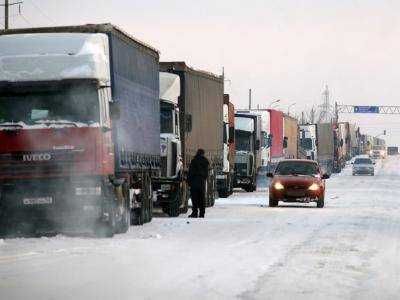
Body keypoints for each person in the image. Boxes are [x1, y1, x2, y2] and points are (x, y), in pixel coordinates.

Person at [187, 149, 209, 218]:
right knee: (202, 198)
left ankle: (195, 213)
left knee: (195, 198)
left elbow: (190, 172)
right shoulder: (205, 161)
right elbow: (206, 174)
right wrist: (203, 178)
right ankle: (202, 213)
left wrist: (189, 182)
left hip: (194, 182)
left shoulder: (194, 160)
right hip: (201, 182)